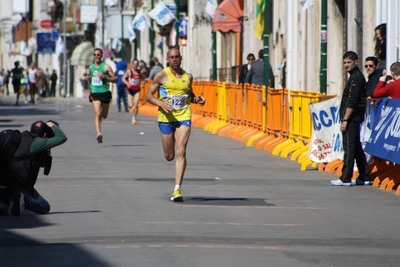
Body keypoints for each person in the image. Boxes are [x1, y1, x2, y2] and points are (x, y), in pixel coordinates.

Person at [146, 48, 206, 202]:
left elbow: (188, 96)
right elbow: (148, 96)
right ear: (167, 59)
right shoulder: (161, 75)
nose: (174, 59)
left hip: (183, 116)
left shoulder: (188, 77)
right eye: (171, 57)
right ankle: (170, 143)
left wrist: (197, 100)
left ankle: (177, 189)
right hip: (166, 118)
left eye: (177, 57)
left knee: (181, 151)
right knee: (169, 156)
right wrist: (160, 103)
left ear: (181, 58)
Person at [0, 120, 67, 216]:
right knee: (43, 206)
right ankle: (23, 199)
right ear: (44, 135)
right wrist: (53, 126)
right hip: (19, 184)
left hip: (3, 182)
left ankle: (4, 201)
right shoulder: (37, 142)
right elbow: (61, 138)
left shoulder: (18, 139)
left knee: (5, 201)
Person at [330, 51, 370, 187]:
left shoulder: (356, 78)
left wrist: (345, 120)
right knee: (356, 146)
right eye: (345, 63)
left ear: (356, 62)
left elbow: (352, 100)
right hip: (355, 117)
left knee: (349, 146)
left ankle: (345, 177)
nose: (346, 65)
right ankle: (364, 176)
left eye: (349, 62)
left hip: (352, 118)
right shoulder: (354, 76)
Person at [85, 48, 117, 143]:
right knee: (97, 113)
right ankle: (99, 133)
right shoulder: (91, 67)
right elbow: (91, 77)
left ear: (101, 56)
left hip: (105, 93)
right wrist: (88, 78)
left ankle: (100, 120)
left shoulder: (106, 67)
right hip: (95, 93)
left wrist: (105, 77)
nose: (96, 56)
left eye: (98, 54)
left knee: (104, 115)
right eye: (95, 54)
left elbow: (115, 79)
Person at [122, 59, 144, 124]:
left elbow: (143, 79)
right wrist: (127, 83)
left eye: (136, 64)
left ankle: (134, 118)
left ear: (138, 65)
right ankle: (132, 112)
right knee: (130, 105)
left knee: (136, 104)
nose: (135, 65)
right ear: (132, 65)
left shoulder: (140, 72)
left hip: (137, 90)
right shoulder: (129, 72)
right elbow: (123, 78)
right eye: (134, 64)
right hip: (130, 90)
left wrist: (142, 83)